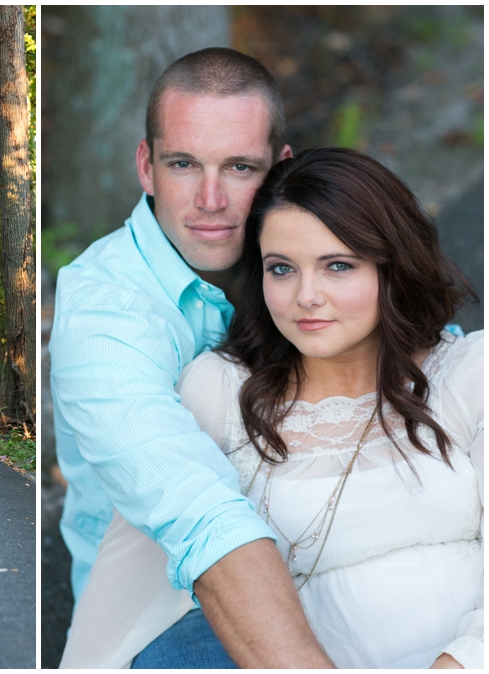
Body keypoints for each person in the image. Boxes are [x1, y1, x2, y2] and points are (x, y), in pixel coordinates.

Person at [60, 148, 483, 669]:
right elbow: (132, 575)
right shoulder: (223, 391)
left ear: (390, 265)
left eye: (338, 266)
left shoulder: (468, 373)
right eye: (281, 269)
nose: (306, 296)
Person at [50, 48, 332, 667]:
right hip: (169, 603)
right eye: (184, 164)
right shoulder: (103, 312)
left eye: (239, 167)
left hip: (325, 549)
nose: (210, 199)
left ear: (281, 170)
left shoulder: (306, 258)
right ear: (147, 167)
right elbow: (193, 511)